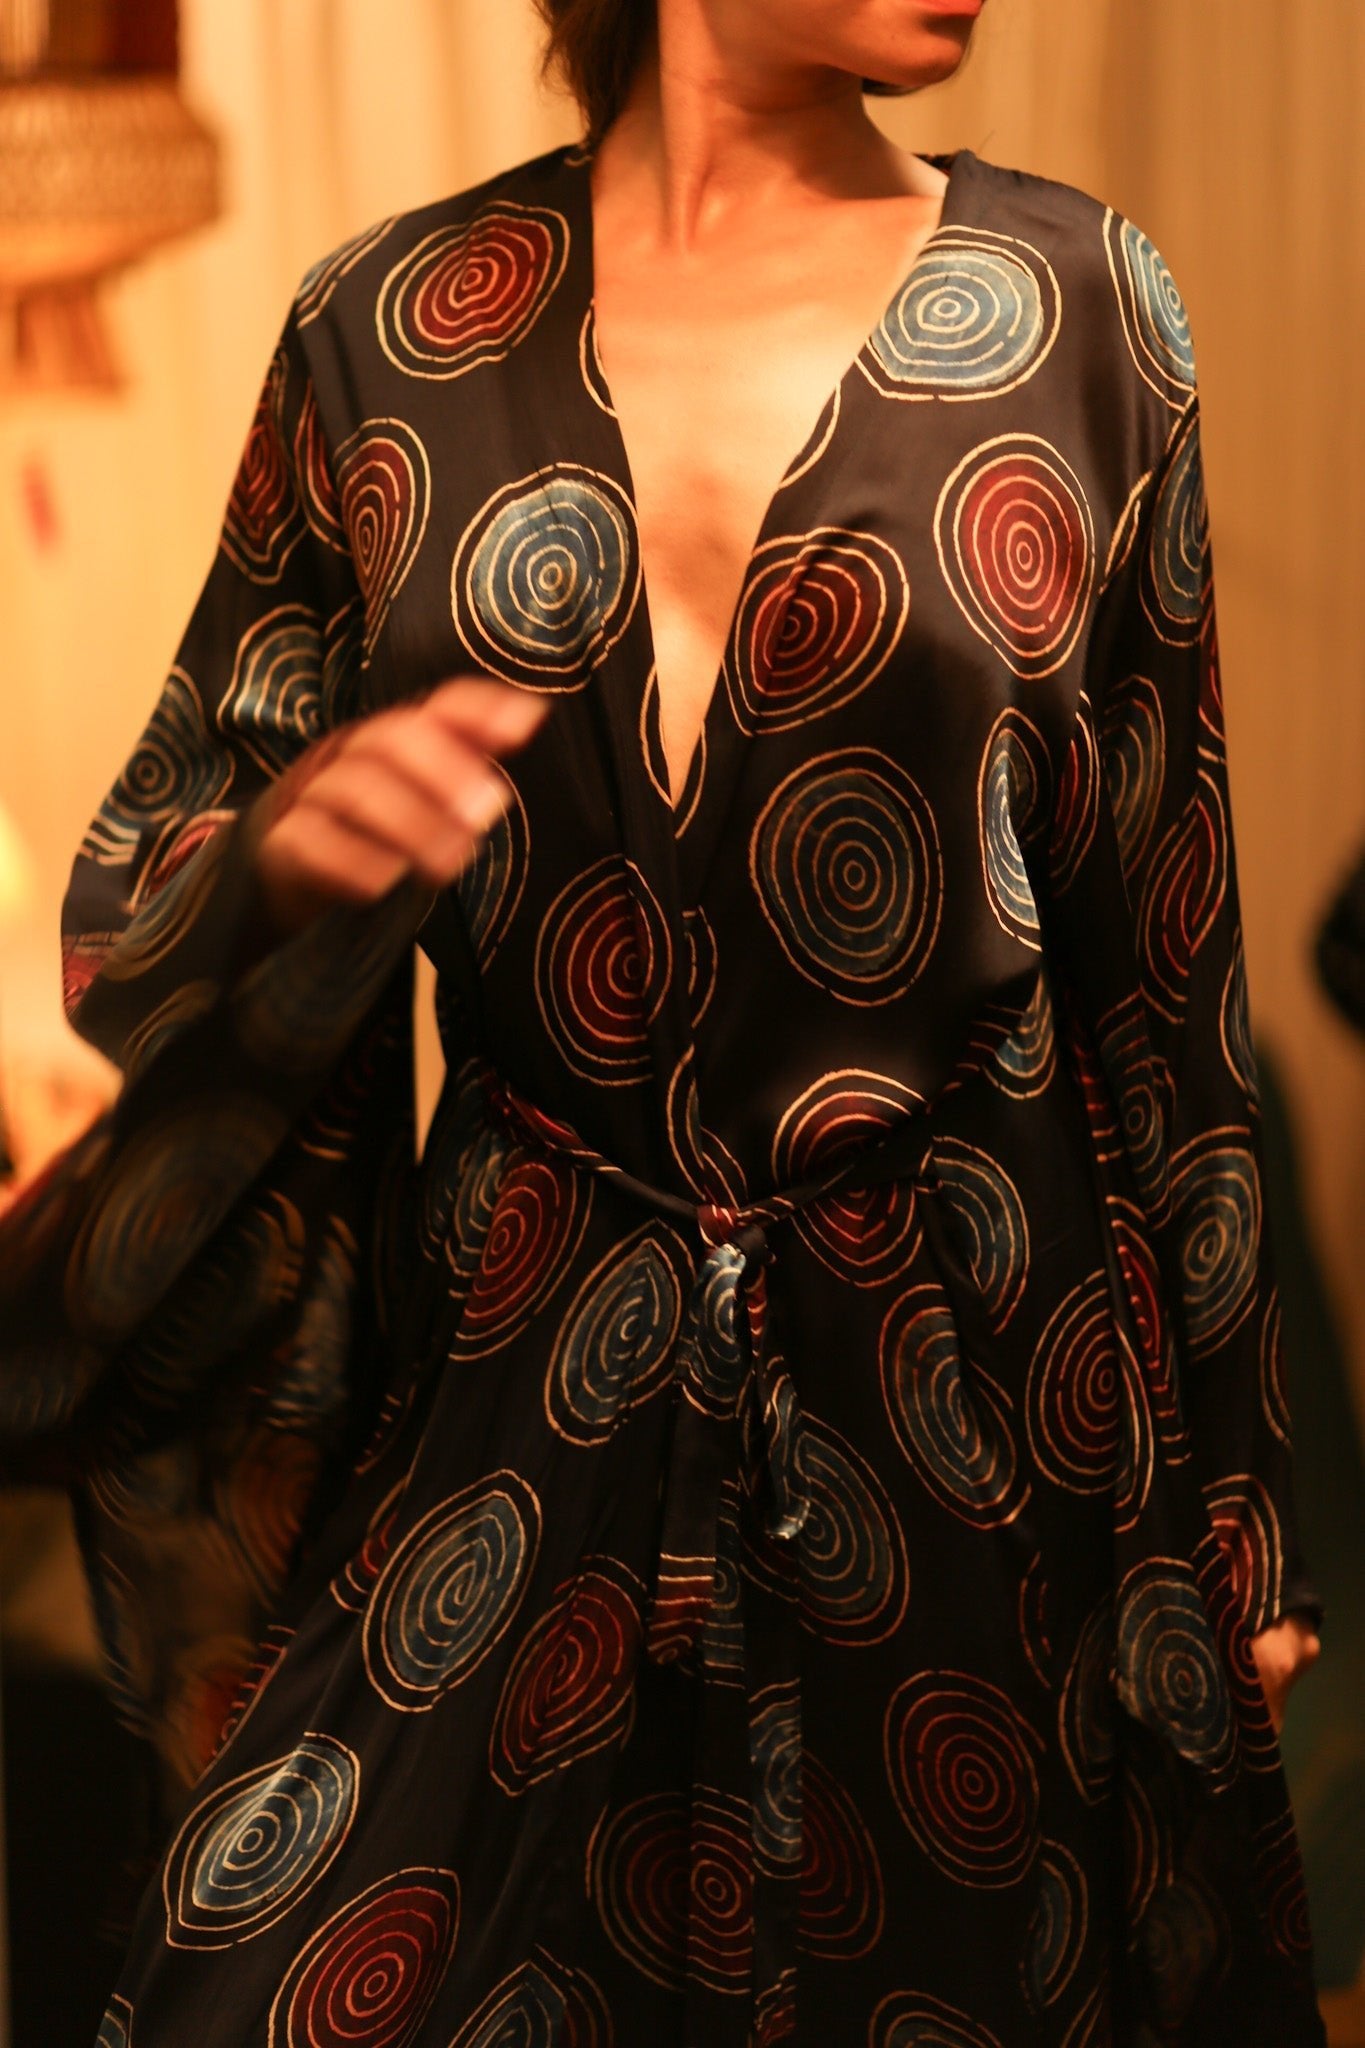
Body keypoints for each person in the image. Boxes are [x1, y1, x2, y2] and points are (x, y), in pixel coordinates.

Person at [0, 0, 1328, 2040]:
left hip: (969, 1412)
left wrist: (1237, 1539)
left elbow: (1165, 971)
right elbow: (161, 864)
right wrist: (279, 859)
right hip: (523, 1392)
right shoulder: (387, 334)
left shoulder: (1077, 307)